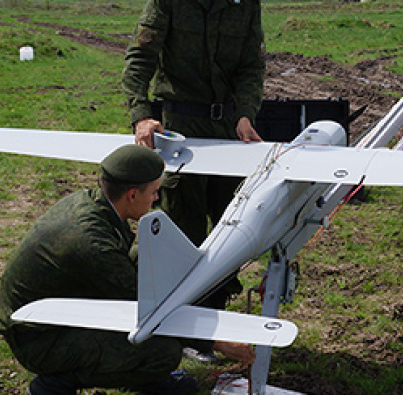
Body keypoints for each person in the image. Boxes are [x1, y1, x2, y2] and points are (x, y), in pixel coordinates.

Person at [0, 145, 255, 395]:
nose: (156, 199)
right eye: (154, 192)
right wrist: (215, 341)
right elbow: (148, 309)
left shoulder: (92, 203)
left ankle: (137, 373)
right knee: (163, 352)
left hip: (54, 315)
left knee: (149, 253)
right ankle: (57, 382)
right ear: (132, 195)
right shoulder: (94, 245)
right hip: (39, 340)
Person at [122, 0, 266, 363]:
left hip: (230, 131)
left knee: (231, 228)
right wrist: (141, 115)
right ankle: (163, 321)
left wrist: (247, 112)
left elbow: (251, 64)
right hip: (181, 129)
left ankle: (209, 326)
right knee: (181, 228)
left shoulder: (245, 4)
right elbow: (140, 60)